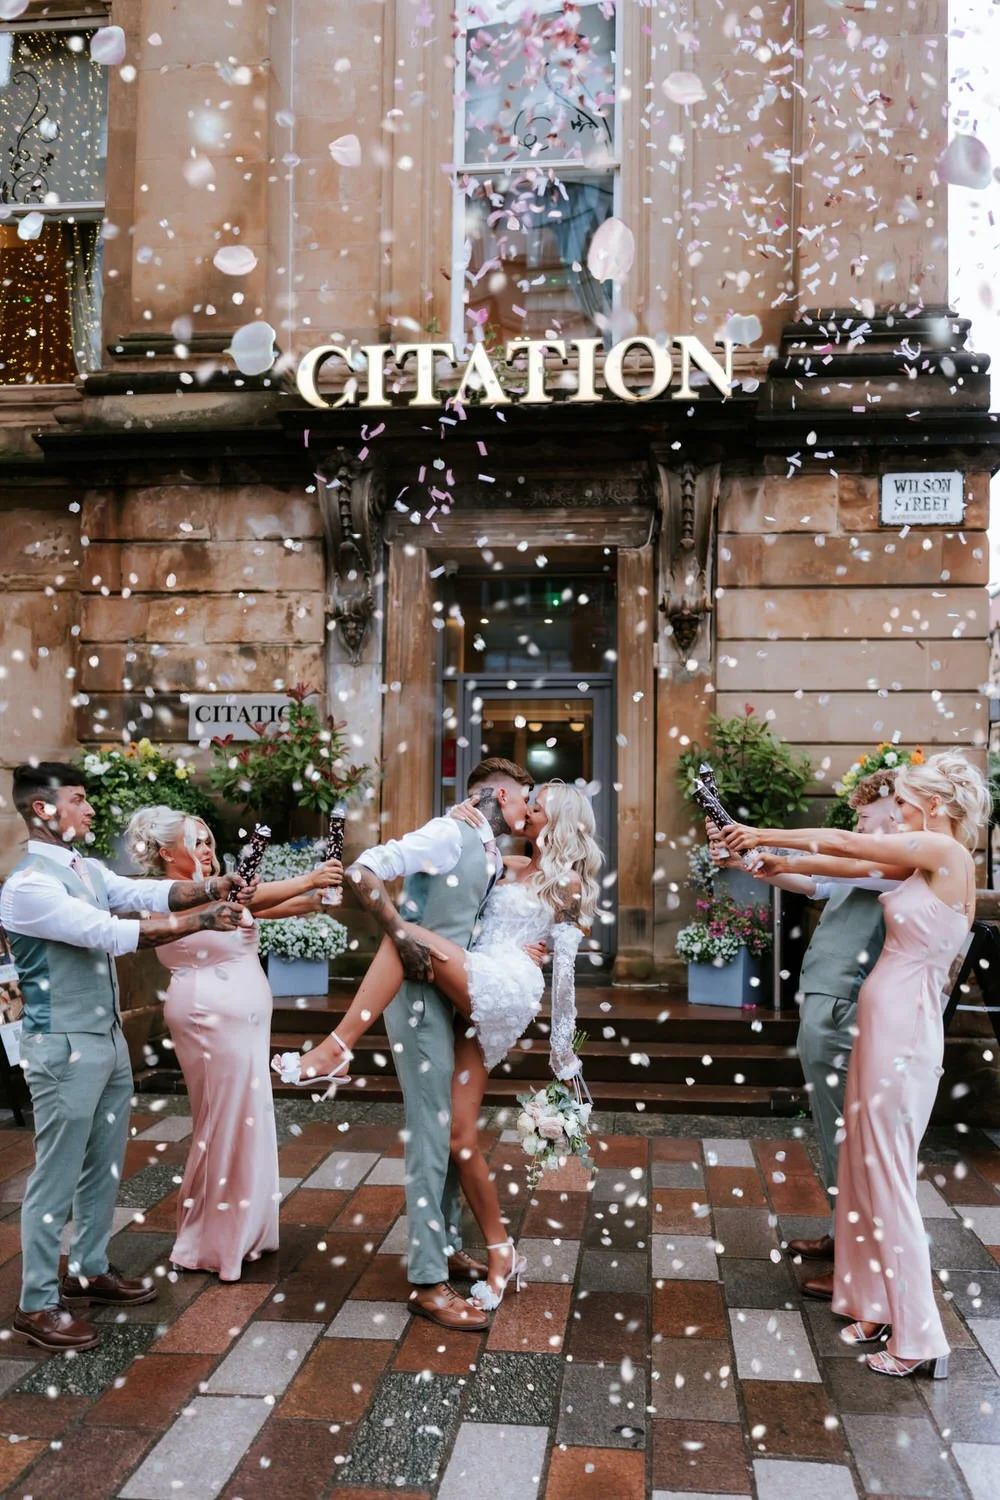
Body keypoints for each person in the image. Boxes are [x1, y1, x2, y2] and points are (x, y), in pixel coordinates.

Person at [276, 778, 600, 1313]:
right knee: (458, 1135)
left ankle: (338, 1045)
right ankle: (501, 1249)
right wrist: (458, 816)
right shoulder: (509, 863)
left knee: (406, 934)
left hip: (505, 988)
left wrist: (563, 1057)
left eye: (536, 806)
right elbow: (473, 895)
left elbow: (564, 975)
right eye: (526, 800)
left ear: (556, 821)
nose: (528, 809)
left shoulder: (566, 884)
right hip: (476, 978)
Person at [723, 750, 989, 1378]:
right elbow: (838, 861)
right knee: (862, 1166)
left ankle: (922, 1337)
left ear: (937, 806)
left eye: (906, 802)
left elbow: (843, 840)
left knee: (890, 1176)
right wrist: (759, 858)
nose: (897, 812)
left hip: (904, 1033)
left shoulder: (947, 856)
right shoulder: (916, 863)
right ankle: (871, 1301)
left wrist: (760, 831)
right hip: (880, 1026)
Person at [0, 763, 249, 1352]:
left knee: (105, 1161)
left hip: (106, 1040)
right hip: (61, 1044)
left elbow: (140, 893)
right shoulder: (28, 887)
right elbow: (110, 931)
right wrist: (204, 918)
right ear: (44, 809)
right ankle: (37, 1301)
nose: (89, 810)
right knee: (55, 1173)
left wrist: (213, 887)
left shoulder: (82, 867)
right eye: (79, 800)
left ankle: (89, 1267)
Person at [711, 769, 910, 1299]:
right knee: (833, 1127)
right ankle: (842, 1232)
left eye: (867, 813)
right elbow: (817, 881)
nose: (858, 821)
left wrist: (761, 840)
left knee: (848, 1131)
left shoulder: (902, 859)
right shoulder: (872, 860)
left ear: (897, 808)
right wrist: (748, 863)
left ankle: (857, 1254)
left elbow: (834, 861)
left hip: (846, 1003)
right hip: (831, 998)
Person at [123, 807, 343, 1282]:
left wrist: (318, 896)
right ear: (165, 852)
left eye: (208, 838)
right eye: (196, 840)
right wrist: (309, 877)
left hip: (240, 1021)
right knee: (223, 1121)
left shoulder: (222, 891)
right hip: (207, 1017)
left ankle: (243, 1230)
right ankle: (211, 1239)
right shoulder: (168, 895)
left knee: (246, 1117)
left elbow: (265, 907)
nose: (207, 847)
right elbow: (255, 899)